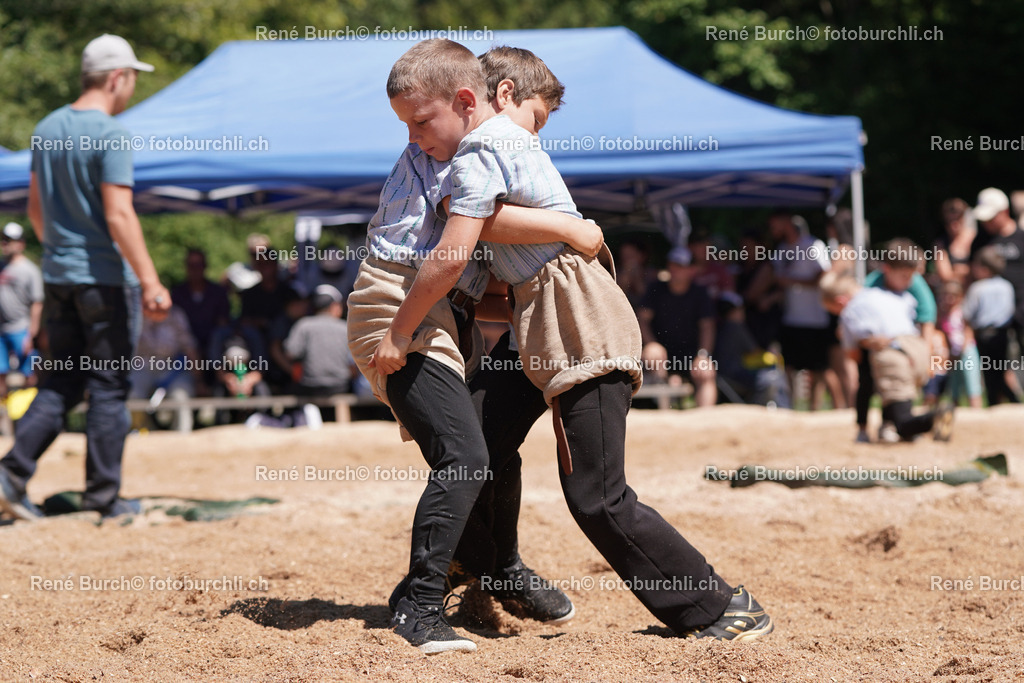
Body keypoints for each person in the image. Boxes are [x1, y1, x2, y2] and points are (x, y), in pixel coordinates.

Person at [374, 38, 772, 649]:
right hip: (544, 315)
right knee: (478, 446)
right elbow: (479, 221)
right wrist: (570, 225)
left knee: (597, 496)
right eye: (539, 115)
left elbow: (467, 217)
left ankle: (717, 606)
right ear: (502, 94)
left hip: (574, 315)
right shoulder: (496, 135)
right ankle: (483, 564)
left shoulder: (488, 141)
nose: (537, 135)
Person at [347, 42, 605, 653]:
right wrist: (571, 227)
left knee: (485, 448)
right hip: (400, 304)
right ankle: (422, 602)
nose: (413, 137)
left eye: (418, 121)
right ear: (494, 97)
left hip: (436, 310)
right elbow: (456, 250)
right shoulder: (466, 148)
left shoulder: (469, 145)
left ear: (465, 100)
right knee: (464, 457)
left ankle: (496, 566)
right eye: (408, 124)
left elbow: (469, 273)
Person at [0, 34, 171, 521]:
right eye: (133, 78)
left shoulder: (46, 126)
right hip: (103, 280)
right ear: (118, 77)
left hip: (58, 277)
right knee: (109, 387)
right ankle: (104, 499)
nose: (132, 89)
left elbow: (35, 210)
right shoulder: (111, 133)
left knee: (62, 383)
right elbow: (119, 214)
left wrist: (59, 252)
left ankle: (9, 475)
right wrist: (151, 280)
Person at [821, 271, 951, 442]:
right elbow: (911, 310)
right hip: (917, 348)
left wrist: (865, 343)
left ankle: (933, 418)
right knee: (901, 398)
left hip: (893, 355)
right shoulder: (884, 293)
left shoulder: (850, 312)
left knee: (901, 420)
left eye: (834, 311)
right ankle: (904, 430)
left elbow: (853, 355)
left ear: (840, 301)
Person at [855, 239, 938, 442]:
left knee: (900, 385)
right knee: (866, 382)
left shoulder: (916, 283)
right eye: (903, 276)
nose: (908, 281)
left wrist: (925, 354)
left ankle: (892, 424)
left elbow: (927, 318)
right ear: (886, 269)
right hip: (874, 343)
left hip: (904, 344)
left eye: (911, 276)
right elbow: (858, 317)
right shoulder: (871, 285)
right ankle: (863, 428)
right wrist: (868, 341)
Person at [768, 210, 835, 410]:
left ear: (786, 222)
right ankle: (793, 408)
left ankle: (814, 409)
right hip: (791, 318)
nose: (772, 231)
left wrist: (792, 281)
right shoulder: (781, 249)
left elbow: (824, 277)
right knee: (789, 366)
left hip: (815, 318)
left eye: (774, 225)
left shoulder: (813, 245)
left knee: (818, 367)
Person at [637, 246, 718, 407]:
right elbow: (642, 320)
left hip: (690, 355)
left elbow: (707, 327)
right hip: (661, 356)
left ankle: (706, 422)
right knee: (654, 354)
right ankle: (665, 413)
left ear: (692, 270)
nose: (674, 269)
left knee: (706, 372)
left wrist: (703, 355)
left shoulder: (700, 293)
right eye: (672, 264)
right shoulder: (656, 288)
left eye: (680, 266)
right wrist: (651, 343)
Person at [970, 188, 1024, 400]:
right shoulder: (981, 241)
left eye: (991, 217)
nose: (986, 223)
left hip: (1022, 310)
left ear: (1004, 211)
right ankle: (1000, 402)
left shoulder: (1021, 238)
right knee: (995, 365)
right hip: (994, 318)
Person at [963, 247, 1019, 404]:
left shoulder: (977, 288)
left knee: (990, 372)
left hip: (985, 335)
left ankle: (996, 401)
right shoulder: (1007, 286)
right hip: (1004, 334)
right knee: (1001, 368)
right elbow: (1010, 310)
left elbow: (967, 314)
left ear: (984, 269)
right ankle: (1012, 400)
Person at [0, 222, 44, 397]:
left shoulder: (30, 270)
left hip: (21, 329)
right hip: (1, 330)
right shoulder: (1, 267)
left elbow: (37, 303)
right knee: (1, 373)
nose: (5, 244)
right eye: (3, 240)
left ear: (20, 243)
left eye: (9, 240)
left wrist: (31, 334)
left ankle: (30, 415)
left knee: (29, 373)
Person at [932, 198, 975, 286]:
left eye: (957, 219)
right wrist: (967, 271)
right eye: (949, 221)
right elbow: (945, 275)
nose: (954, 225)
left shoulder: (975, 238)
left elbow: (980, 273)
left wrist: (957, 271)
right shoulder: (940, 244)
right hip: (951, 292)